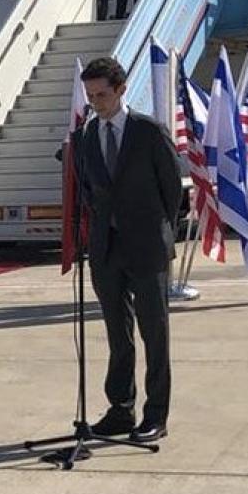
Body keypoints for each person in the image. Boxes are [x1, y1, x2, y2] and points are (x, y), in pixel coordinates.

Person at [76, 57, 182, 443]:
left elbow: (172, 189)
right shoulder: (86, 135)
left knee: (154, 332)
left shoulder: (148, 131)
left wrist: (157, 232)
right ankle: (121, 408)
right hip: (106, 250)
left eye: (102, 95)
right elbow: (88, 190)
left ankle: (156, 415)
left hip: (147, 247)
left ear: (121, 90)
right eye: (90, 97)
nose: (96, 103)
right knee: (117, 335)